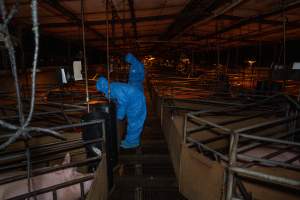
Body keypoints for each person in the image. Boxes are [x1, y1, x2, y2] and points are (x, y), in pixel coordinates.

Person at [96, 76, 147, 149]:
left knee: (134, 122)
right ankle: (132, 140)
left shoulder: (114, 89)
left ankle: (132, 142)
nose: (102, 92)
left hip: (135, 100)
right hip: (133, 99)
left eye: (101, 90)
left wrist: (119, 115)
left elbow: (123, 102)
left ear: (103, 87)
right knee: (133, 121)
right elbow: (118, 98)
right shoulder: (111, 87)